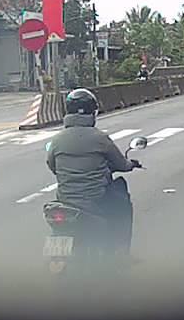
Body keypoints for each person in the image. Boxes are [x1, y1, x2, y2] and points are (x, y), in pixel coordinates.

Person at [45, 88, 142, 255]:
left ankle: (57, 259)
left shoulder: (57, 140)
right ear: (93, 112)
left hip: (65, 199)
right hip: (95, 198)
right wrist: (131, 164)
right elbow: (121, 164)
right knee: (121, 203)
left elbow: (52, 166)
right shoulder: (100, 138)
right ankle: (119, 252)